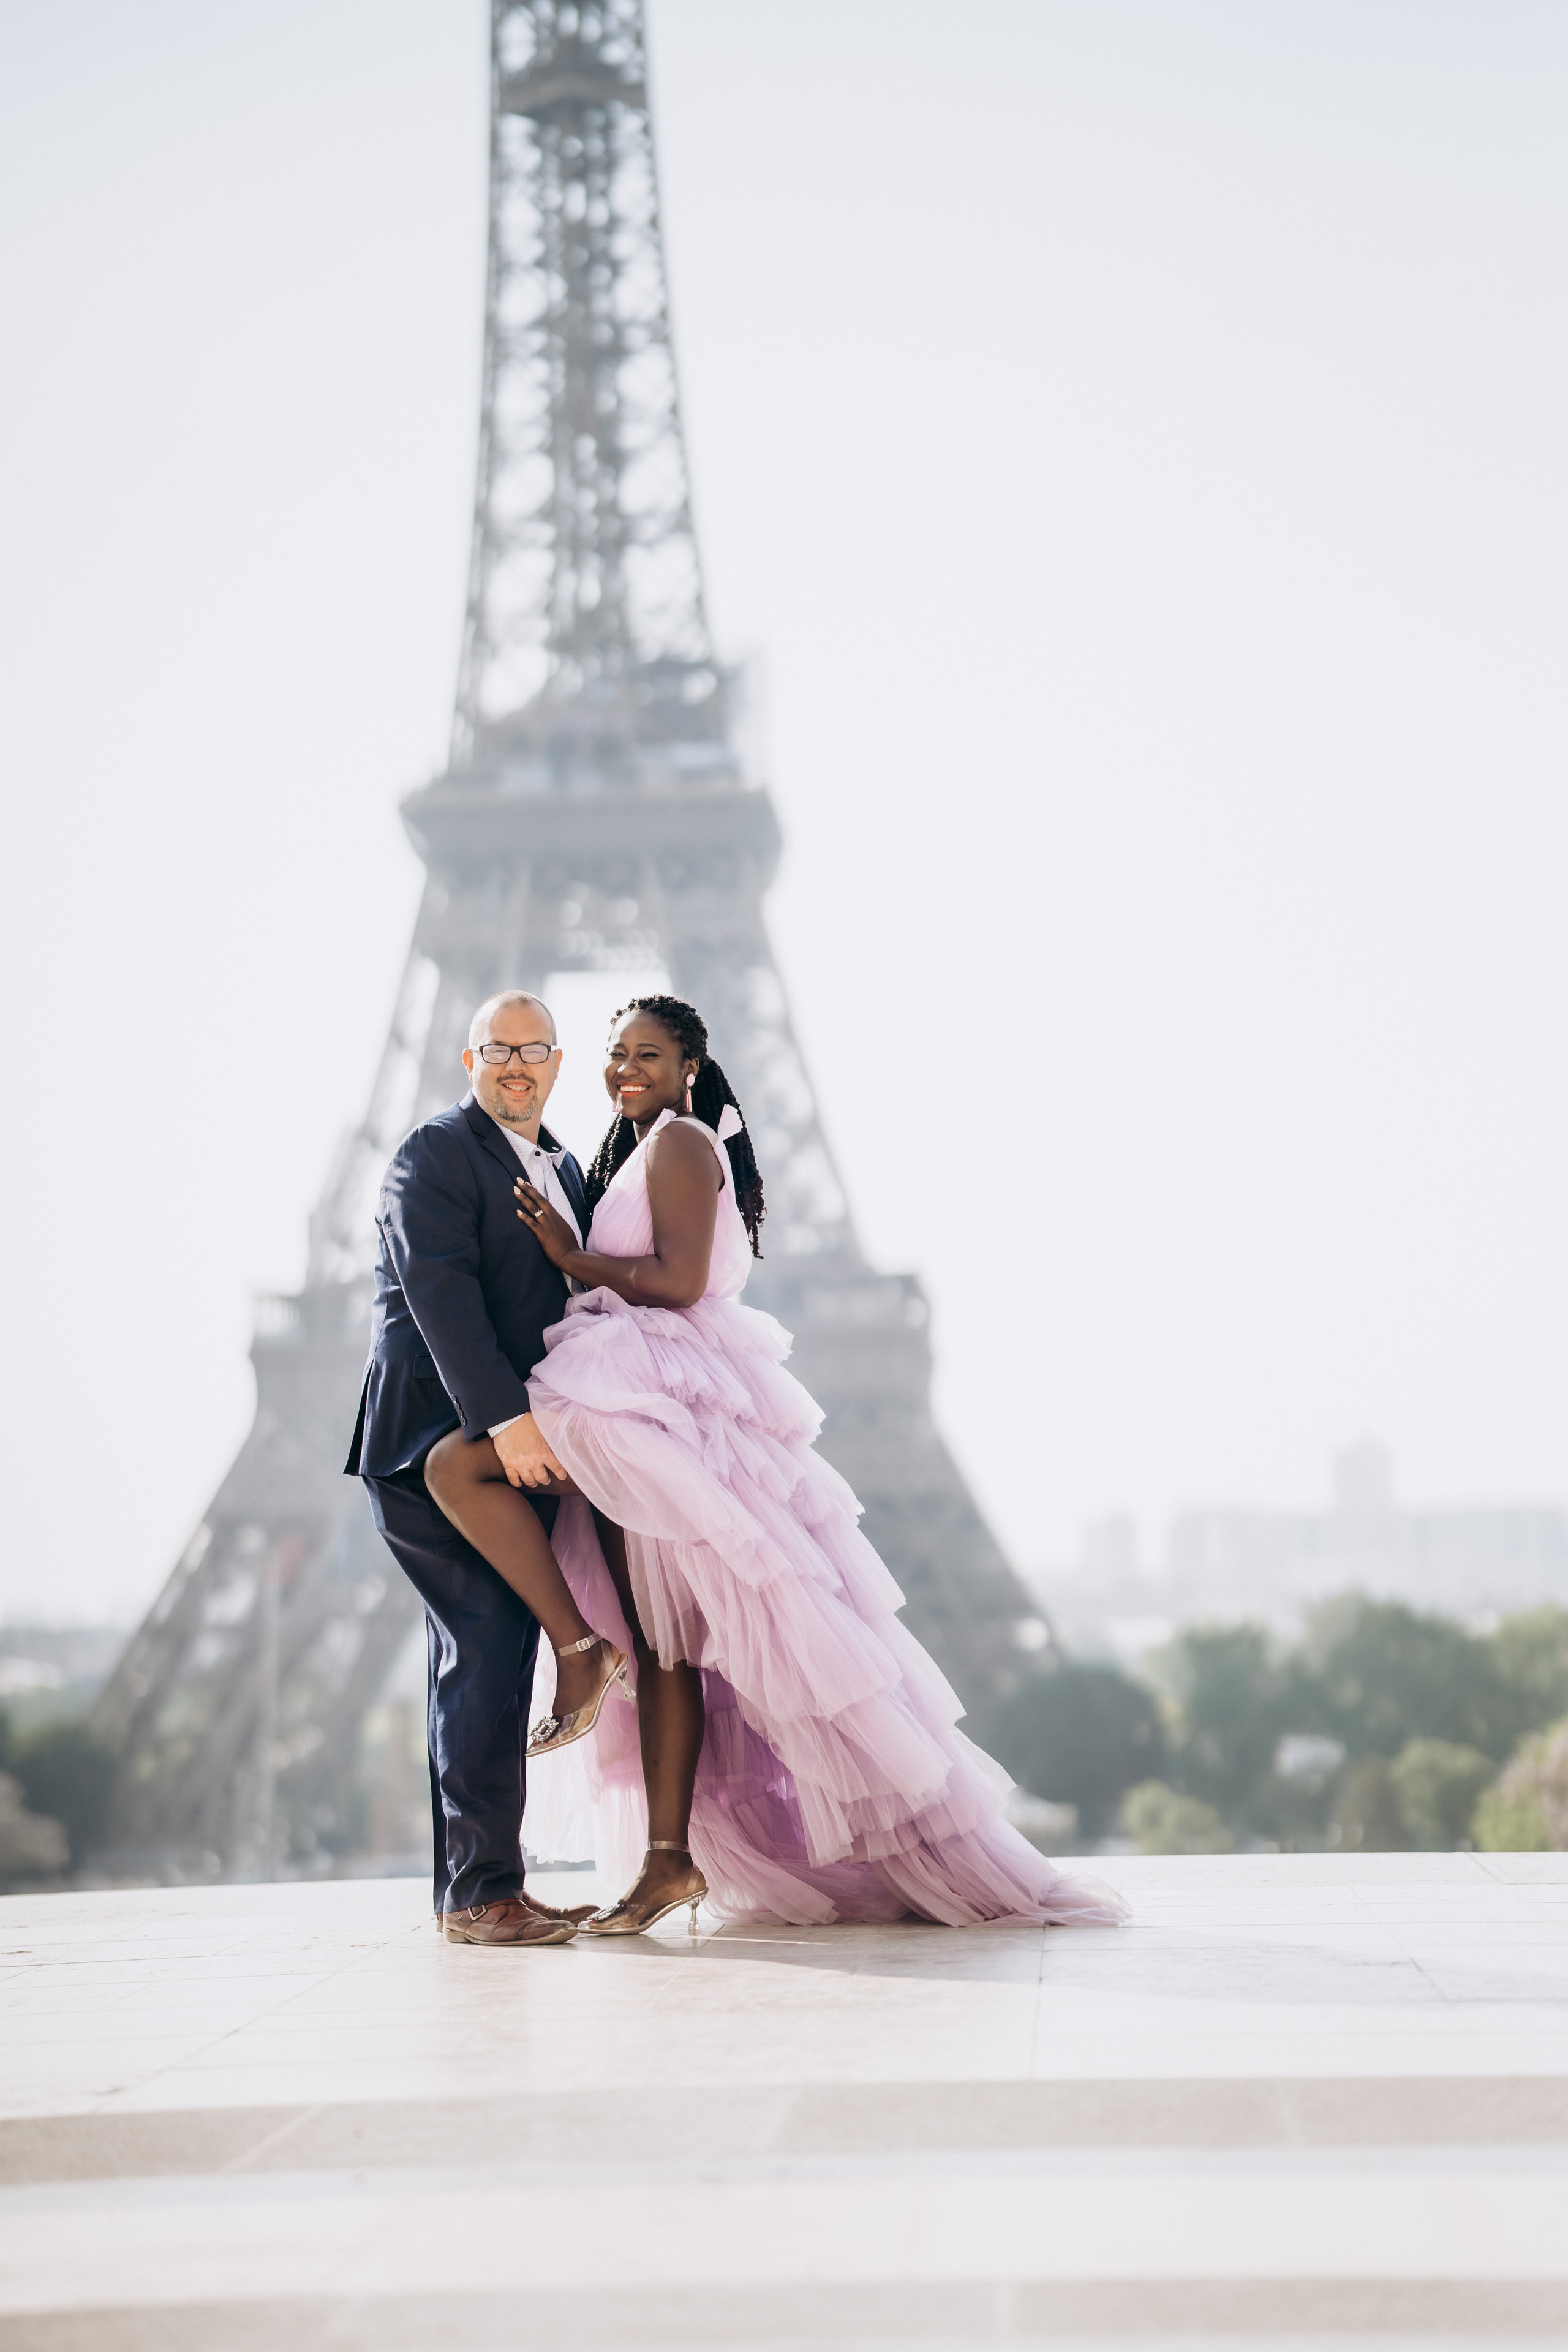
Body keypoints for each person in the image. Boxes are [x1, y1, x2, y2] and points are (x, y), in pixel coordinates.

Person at [424, 995, 1124, 1936]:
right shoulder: (632, 1147)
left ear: (691, 1069)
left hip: (654, 1385)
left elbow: (674, 1281)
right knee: (665, 1640)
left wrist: (569, 1254)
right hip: (641, 1384)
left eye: (649, 1056)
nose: (626, 1070)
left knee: (465, 1475)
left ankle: (581, 1654)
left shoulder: (676, 1143)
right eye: (616, 1054)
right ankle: (666, 1856)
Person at [345, 989, 622, 1948]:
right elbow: (439, 1291)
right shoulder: (432, 1155)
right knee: (484, 1645)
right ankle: (477, 1896)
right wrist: (504, 1420)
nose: (516, 1063)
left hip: (521, 1450)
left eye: (534, 1049)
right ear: (469, 1063)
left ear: (555, 1064)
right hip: (440, 1442)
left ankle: (486, 1886)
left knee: (497, 1659)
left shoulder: (568, 1167)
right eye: (497, 1049)